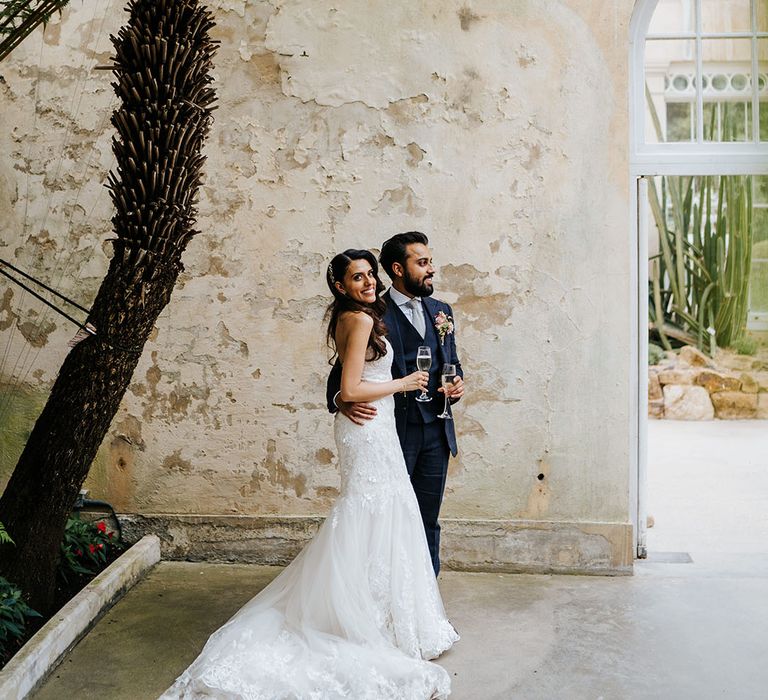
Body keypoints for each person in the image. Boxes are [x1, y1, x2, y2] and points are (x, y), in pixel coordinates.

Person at [159, 249, 459, 699]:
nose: (367, 282)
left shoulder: (363, 316)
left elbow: (362, 375)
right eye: (357, 278)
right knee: (369, 510)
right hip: (368, 425)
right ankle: (364, 616)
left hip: (377, 427)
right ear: (340, 285)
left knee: (389, 512)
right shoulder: (358, 320)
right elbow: (348, 386)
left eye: (368, 275)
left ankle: (391, 612)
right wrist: (398, 385)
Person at [326, 232, 464, 576]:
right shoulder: (372, 311)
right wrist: (341, 400)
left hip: (436, 430)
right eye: (423, 263)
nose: (431, 269)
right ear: (398, 269)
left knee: (427, 520)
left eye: (430, 261)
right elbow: (341, 377)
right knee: (390, 521)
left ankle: (425, 600)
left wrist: (457, 383)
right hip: (392, 432)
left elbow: (452, 363)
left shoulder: (441, 312)